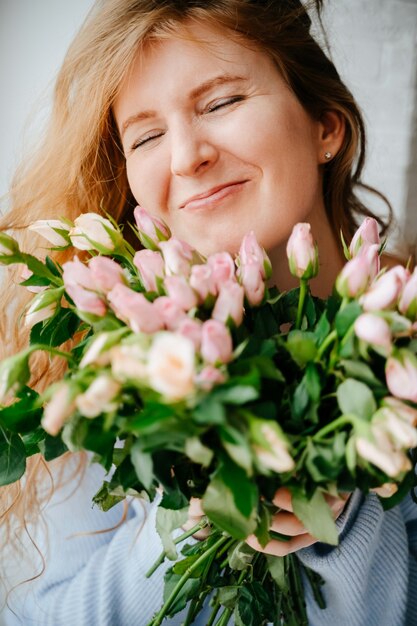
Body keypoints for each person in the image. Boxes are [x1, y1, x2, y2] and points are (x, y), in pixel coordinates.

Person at [0, 0, 416, 624]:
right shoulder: (95, 368)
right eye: (145, 136)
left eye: (220, 103)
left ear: (326, 125)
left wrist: (342, 520)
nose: (185, 156)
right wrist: (197, 515)